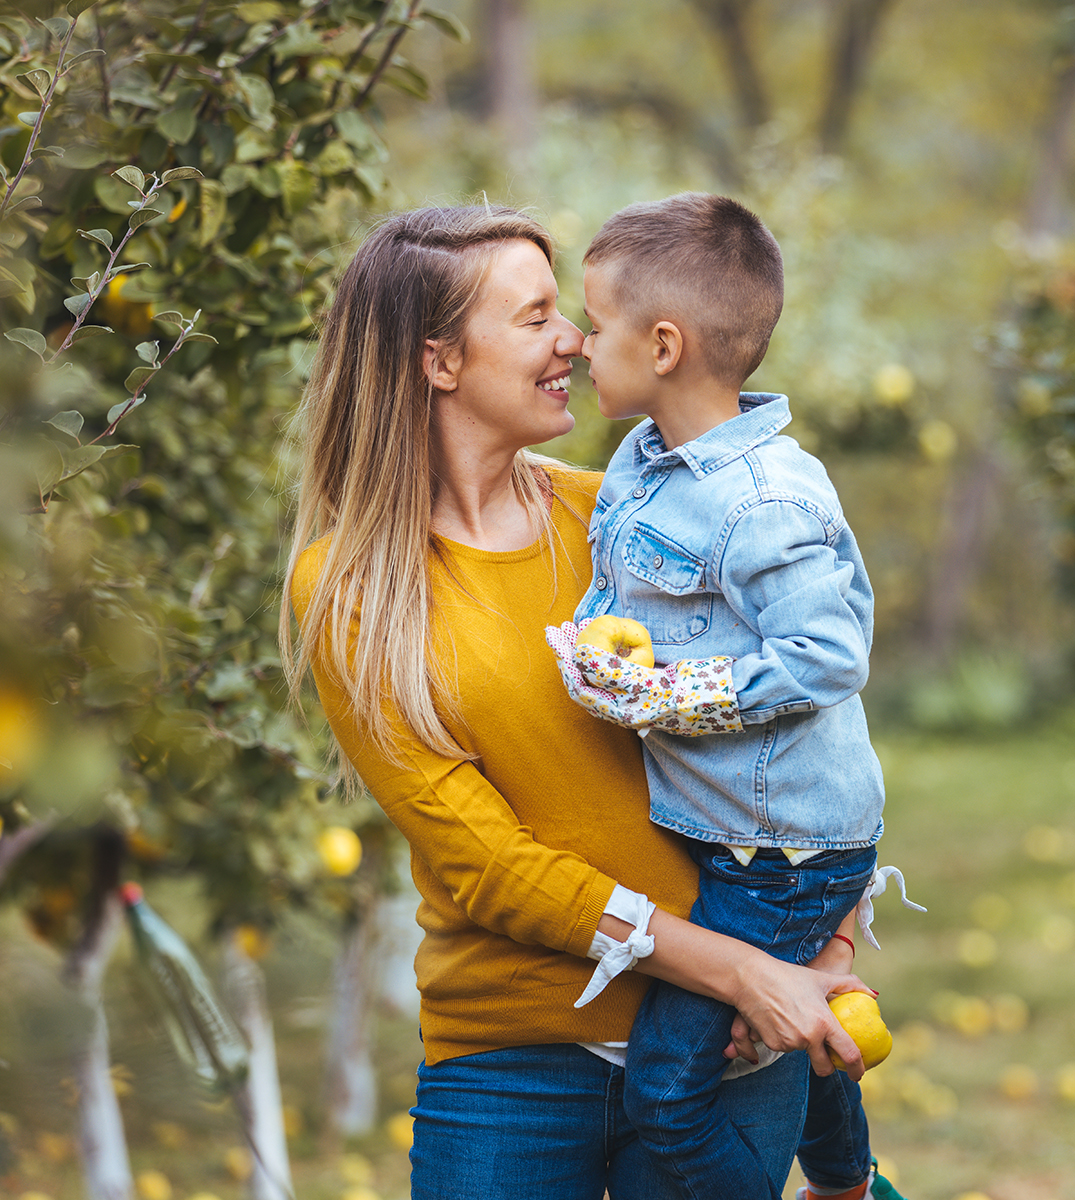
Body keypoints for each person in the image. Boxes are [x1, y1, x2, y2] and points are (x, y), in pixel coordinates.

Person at [278, 204, 872, 1200]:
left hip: (723, 1048)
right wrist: (736, 970)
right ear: (439, 362)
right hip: (515, 1055)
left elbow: (808, 727)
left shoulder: (631, 516)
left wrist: (820, 949)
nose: (573, 341)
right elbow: (485, 867)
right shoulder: (351, 589)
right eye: (536, 315)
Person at [545, 193, 918, 1200]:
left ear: (662, 345)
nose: (579, 344)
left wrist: (666, 696)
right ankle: (850, 1186)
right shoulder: (641, 461)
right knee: (798, 1020)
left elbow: (827, 654)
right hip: (727, 829)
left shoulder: (766, 499)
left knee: (667, 1096)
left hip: (780, 850)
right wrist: (595, 644)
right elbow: (623, 589)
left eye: (593, 320)